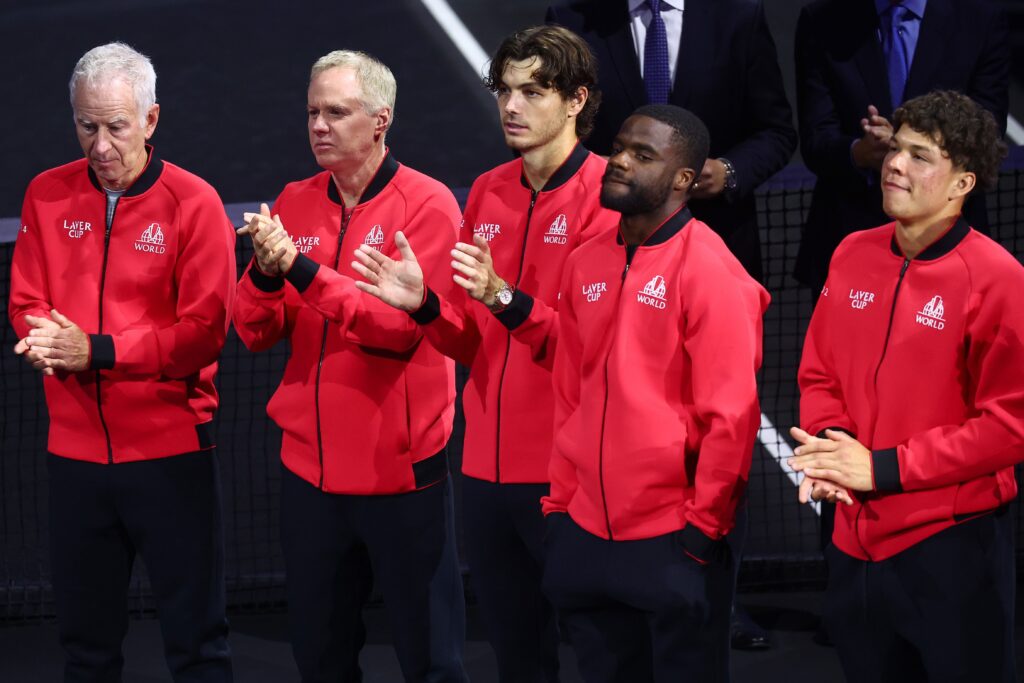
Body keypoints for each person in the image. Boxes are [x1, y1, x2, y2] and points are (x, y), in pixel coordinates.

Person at [350, 25, 619, 682]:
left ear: (577, 100)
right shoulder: (488, 190)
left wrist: (504, 297)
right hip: (485, 476)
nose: (511, 106)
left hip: (570, 475)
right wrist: (424, 305)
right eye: (504, 90)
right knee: (517, 657)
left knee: (604, 654)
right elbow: (467, 339)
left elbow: (590, 349)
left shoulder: (607, 199)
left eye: (533, 91)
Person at [232, 50, 467, 683]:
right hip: (310, 481)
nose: (319, 126)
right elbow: (253, 331)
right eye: (313, 112)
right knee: (320, 659)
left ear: (380, 120)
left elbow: (398, 333)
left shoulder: (428, 207)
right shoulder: (294, 201)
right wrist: (264, 273)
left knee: (432, 661)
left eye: (336, 112)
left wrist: (302, 270)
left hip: (401, 479)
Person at [8, 42, 236, 682]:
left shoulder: (195, 203)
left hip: (172, 459)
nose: (100, 145)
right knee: (85, 650)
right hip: (75, 462)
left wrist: (97, 350)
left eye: (116, 126)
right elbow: (26, 300)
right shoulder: (45, 194)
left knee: (198, 647)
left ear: (150, 119)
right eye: (86, 126)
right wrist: (42, 339)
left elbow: (203, 335)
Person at [789, 90, 1022, 683]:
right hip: (852, 542)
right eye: (895, 148)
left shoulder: (998, 280)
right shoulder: (851, 253)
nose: (894, 164)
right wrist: (832, 447)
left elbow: (1008, 427)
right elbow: (819, 371)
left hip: (950, 550)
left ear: (962, 183)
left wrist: (881, 469)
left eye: (921, 156)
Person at [541, 104, 768, 682]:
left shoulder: (711, 271)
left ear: (683, 179)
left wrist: (700, 536)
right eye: (619, 147)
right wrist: (561, 506)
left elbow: (731, 420)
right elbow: (569, 393)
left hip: (672, 539)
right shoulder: (585, 261)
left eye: (643, 155)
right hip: (585, 533)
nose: (619, 161)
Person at [545, 0, 796, 283]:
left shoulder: (739, 15)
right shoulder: (569, 20)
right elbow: (545, 132)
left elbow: (776, 131)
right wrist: (588, 168)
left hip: (716, 244)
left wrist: (728, 172)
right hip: (604, 246)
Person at [793, 0, 1009, 293]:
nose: (896, 163)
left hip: (948, 241)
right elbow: (816, 137)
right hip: (849, 230)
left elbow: (987, 131)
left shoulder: (980, 16)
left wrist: (908, 147)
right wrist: (859, 152)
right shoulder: (822, 19)